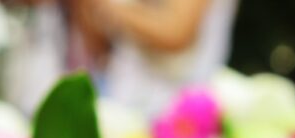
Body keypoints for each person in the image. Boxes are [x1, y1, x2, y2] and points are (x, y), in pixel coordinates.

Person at [73, 0, 240, 116]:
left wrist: (112, 9)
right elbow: (98, 43)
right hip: (120, 98)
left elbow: (176, 33)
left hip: (176, 109)